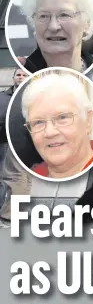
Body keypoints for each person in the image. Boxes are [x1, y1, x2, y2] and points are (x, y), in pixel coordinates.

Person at [17, 0, 93, 73]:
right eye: (43, 16)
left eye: (64, 15)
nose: (53, 26)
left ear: (86, 23)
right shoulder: (23, 73)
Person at [21, 72, 93, 179]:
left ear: (88, 121)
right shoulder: (24, 181)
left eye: (62, 118)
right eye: (38, 122)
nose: (50, 132)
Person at [0, 68, 29, 223]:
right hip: (2, 140)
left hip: (19, 144)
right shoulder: (3, 96)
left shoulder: (32, 96)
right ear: (13, 78)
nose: (21, 77)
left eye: (24, 75)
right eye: (18, 75)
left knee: (14, 177)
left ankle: (10, 214)